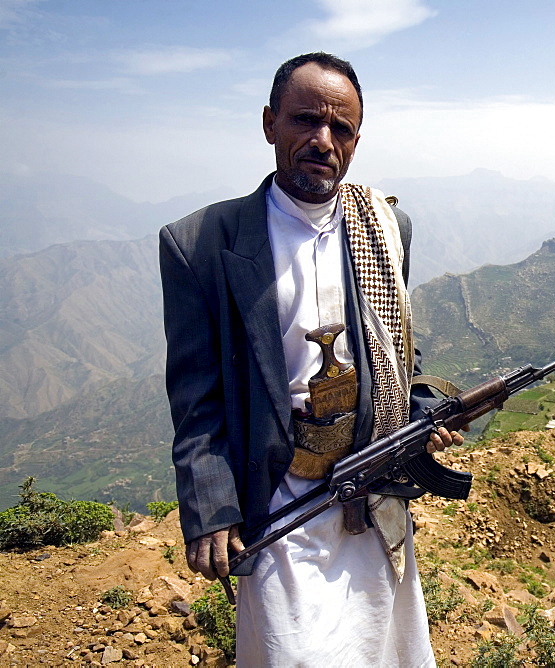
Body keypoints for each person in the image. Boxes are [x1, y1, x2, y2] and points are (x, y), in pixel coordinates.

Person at [159, 52, 461, 666]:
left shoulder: (386, 227)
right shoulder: (201, 245)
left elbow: (397, 349)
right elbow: (197, 394)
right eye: (305, 121)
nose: (322, 141)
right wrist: (210, 508)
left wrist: (423, 413)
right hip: (278, 496)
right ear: (270, 123)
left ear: (355, 140)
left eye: (341, 129)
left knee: (384, 647)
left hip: (371, 486)